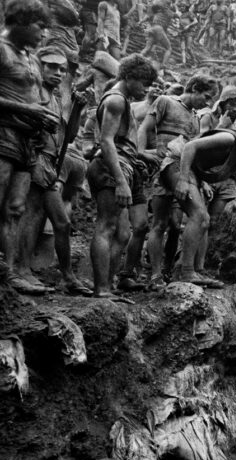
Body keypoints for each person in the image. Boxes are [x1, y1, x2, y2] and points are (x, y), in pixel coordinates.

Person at [163, 124, 236, 287]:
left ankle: (192, 270)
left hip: (190, 171)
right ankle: (186, 272)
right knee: (200, 217)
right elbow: (190, 146)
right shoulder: (229, 139)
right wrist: (183, 179)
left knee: (204, 220)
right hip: (178, 164)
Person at [15, 46, 91, 296]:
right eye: (52, 67)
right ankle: (22, 270)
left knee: (62, 221)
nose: (58, 73)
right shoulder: (33, 91)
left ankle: (67, 276)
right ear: (39, 65)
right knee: (32, 214)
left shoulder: (56, 98)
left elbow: (67, 137)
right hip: (33, 159)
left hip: (50, 164)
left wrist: (78, 109)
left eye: (62, 69)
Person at [0, 0, 61, 296]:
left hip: (27, 140)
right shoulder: (1, 49)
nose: (44, 33)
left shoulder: (30, 57)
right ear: (21, 21)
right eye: (40, 26)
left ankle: (9, 274)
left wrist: (43, 118)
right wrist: (29, 110)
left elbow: (36, 99)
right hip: (3, 135)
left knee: (15, 208)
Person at [134, 73, 217, 291]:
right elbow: (145, 127)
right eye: (206, 97)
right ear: (195, 88)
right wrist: (141, 152)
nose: (207, 103)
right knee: (185, 218)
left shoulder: (196, 117)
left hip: (183, 169)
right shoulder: (166, 102)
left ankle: (174, 271)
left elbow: (193, 149)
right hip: (166, 168)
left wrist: (203, 180)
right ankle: (161, 275)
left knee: (172, 224)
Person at [87, 53, 159, 299]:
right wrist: (120, 181)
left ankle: (108, 285)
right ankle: (101, 288)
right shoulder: (116, 100)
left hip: (125, 165)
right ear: (128, 77)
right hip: (111, 168)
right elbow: (106, 142)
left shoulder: (123, 100)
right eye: (143, 83)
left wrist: (144, 156)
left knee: (124, 233)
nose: (146, 89)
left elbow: (120, 141)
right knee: (106, 226)